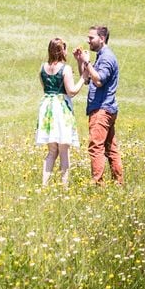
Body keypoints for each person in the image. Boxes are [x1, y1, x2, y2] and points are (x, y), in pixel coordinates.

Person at [73, 25, 124, 185]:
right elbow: (87, 79)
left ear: (102, 39)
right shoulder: (101, 56)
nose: (88, 41)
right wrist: (80, 62)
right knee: (111, 148)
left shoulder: (107, 57)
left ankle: (97, 184)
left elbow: (99, 81)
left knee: (96, 147)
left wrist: (87, 63)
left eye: (91, 38)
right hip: (105, 108)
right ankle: (118, 182)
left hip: (102, 109)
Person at [36, 38, 88, 187]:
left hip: (47, 108)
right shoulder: (65, 69)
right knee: (64, 150)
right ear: (61, 50)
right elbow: (71, 91)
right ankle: (64, 187)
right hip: (61, 109)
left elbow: (45, 88)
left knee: (52, 151)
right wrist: (83, 78)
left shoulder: (42, 68)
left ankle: (44, 185)